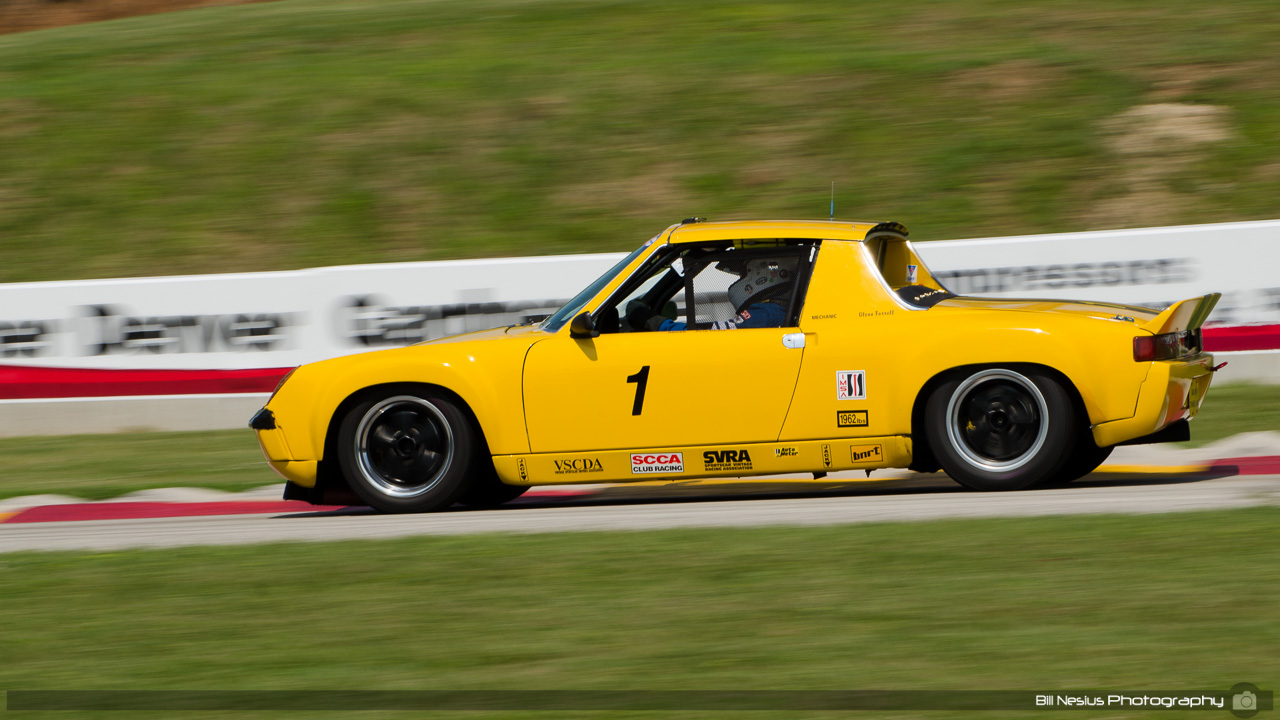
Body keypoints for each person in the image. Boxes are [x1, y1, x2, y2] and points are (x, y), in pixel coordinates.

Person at [627, 257, 792, 332]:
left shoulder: (766, 314)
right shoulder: (781, 309)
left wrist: (657, 323)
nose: (741, 280)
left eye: (743, 274)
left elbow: (709, 336)